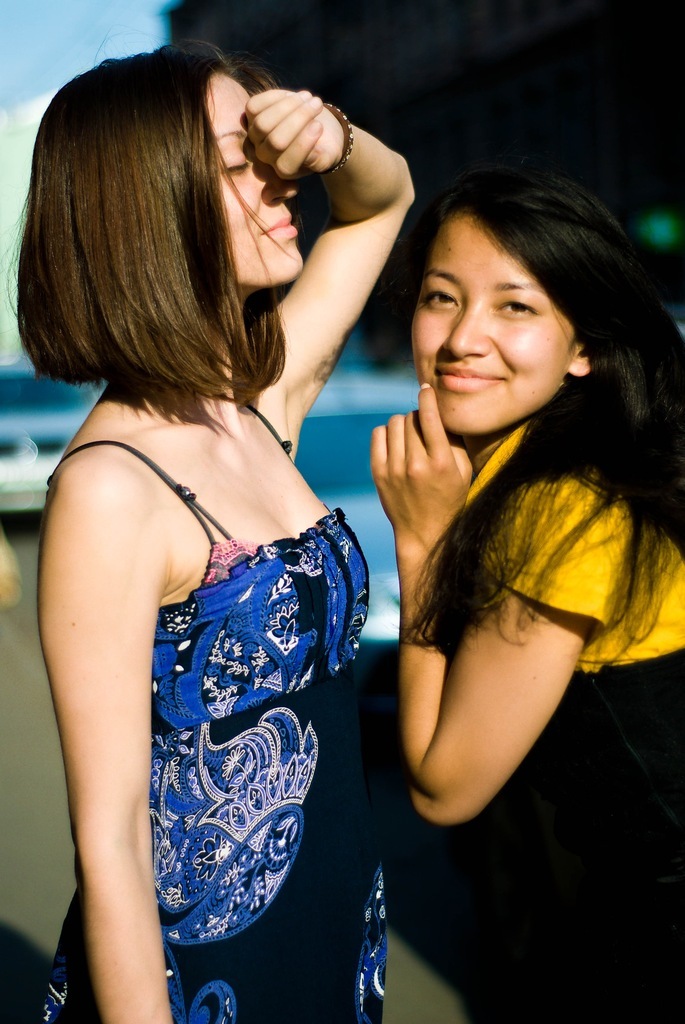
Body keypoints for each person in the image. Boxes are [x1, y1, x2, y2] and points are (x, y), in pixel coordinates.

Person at [18, 43, 412, 1024]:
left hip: (331, 946)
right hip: (205, 985)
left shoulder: (257, 405)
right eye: (243, 162)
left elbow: (383, 201)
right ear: (149, 209)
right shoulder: (112, 488)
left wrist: (330, 136)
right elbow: (113, 844)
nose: (284, 180)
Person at [370, 163, 685, 1021]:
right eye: (441, 297)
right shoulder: (557, 467)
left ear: (584, 346)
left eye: (515, 306)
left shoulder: (563, 508)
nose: (462, 338)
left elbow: (443, 787)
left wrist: (420, 542)